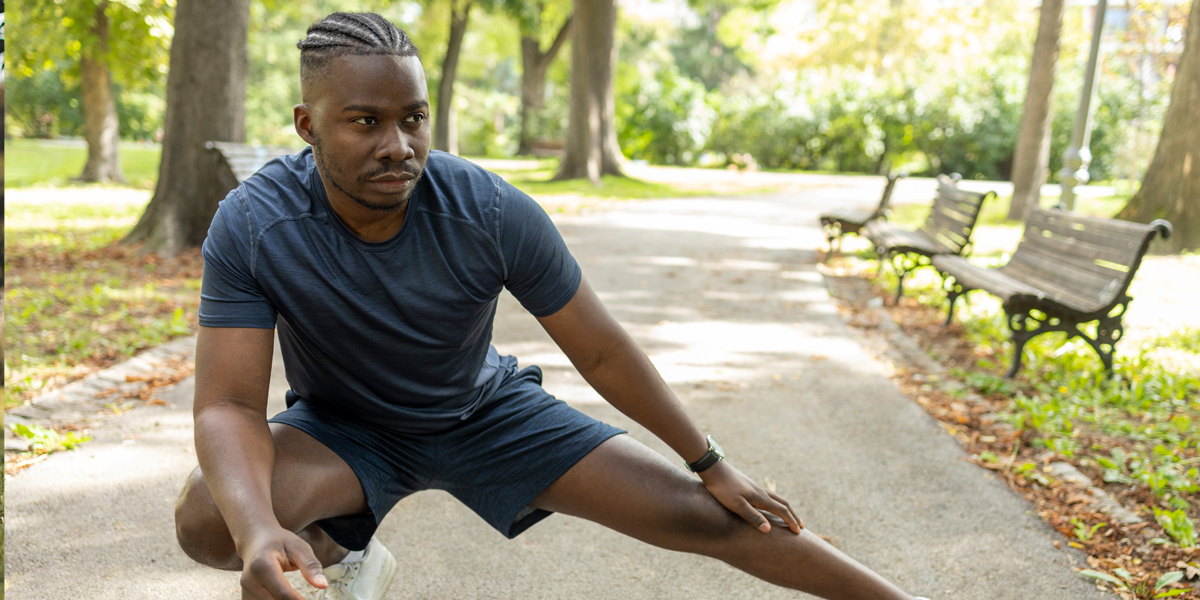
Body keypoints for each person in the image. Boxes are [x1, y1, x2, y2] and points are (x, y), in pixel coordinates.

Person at [173, 11, 930, 600]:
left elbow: (598, 349)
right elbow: (229, 406)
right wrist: (262, 529)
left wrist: (709, 460)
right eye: (365, 121)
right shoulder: (257, 223)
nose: (399, 144)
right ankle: (339, 548)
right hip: (348, 432)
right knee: (216, 519)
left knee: (713, 516)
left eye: (414, 117)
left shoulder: (489, 212)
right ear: (308, 128)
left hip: (486, 416)